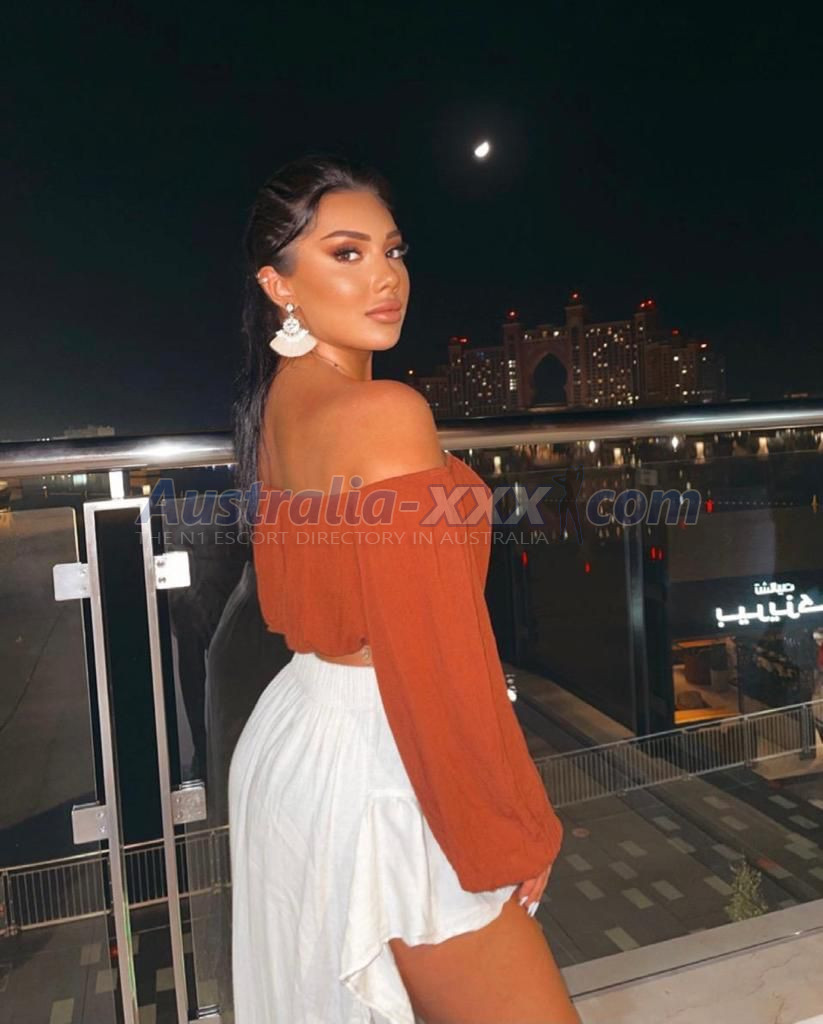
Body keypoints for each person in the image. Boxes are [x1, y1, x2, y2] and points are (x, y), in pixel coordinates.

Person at [228, 153, 580, 1024]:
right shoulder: (383, 415)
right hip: (387, 762)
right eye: (346, 253)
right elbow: (433, 652)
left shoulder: (281, 404)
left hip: (304, 734)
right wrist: (511, 825)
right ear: (278, 283)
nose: (385, 276)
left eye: (393, 250)